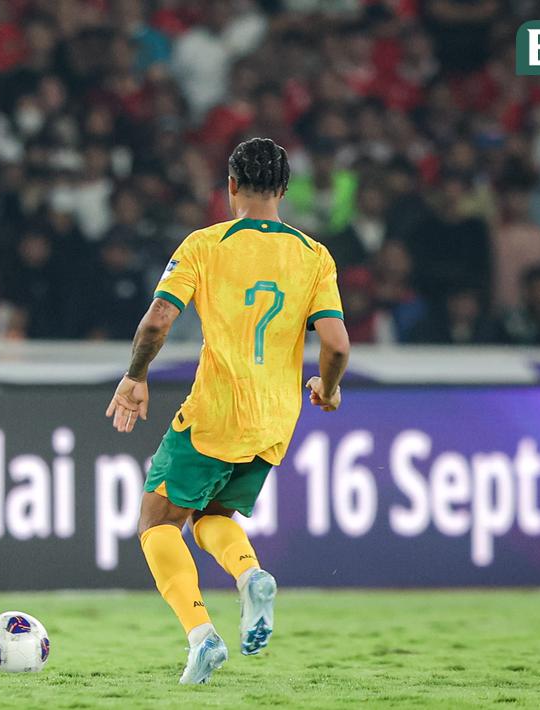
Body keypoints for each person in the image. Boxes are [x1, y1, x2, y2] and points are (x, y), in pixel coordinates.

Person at [105, 138, 349, 685]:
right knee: (213, 517)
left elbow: (156, 322)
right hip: (274, 419)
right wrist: (328, 390)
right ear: (284, 190)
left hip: (216, 409)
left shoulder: (204, 245)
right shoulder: (314, 256)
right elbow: (336, 344)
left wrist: (136, 376)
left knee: (156, 522)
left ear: (231, 186)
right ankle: (251, 576)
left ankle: (201, 636)